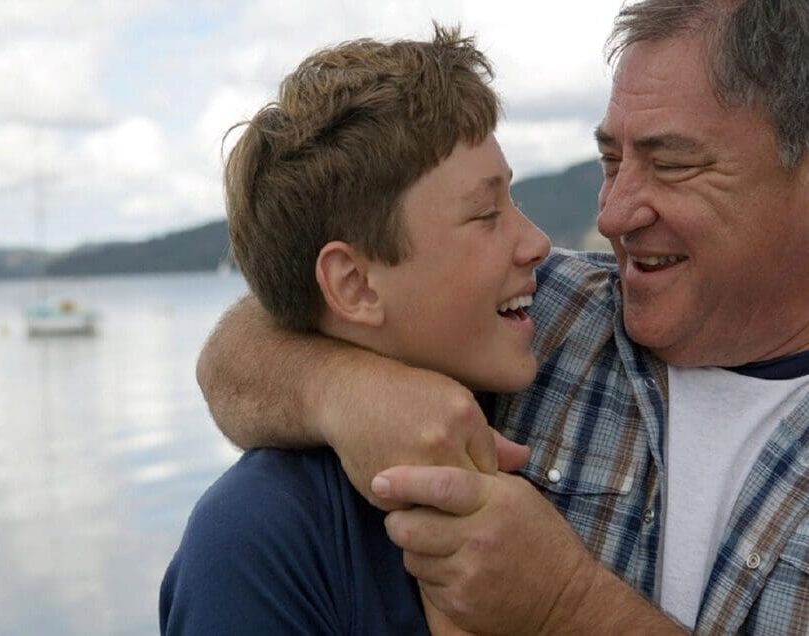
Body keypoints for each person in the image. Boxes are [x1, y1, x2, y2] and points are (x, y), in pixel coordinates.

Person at [196, 0, 809, 633]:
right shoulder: (549, 310)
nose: (611, 215)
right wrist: (347, 391)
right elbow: (273, 324)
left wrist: (567, 606)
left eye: (673, 165)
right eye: (610, 161)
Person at [160, 25, 556, 634]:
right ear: (354, 285)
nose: (538, 244)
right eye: (486, 214)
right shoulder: (255, 539)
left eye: (515, 202)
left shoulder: (547, 356)